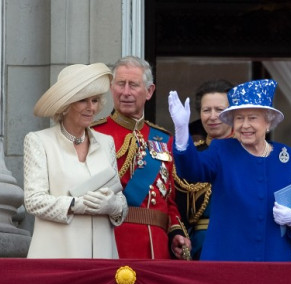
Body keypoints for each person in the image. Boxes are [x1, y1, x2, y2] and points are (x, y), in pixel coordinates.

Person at [168, 79, 291, 261]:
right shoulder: (222, 150)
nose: (245, 125)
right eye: (239, 118)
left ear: (268, 122)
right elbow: (192, 171)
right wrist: (182, 132)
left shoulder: (289, 158)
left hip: (274, 263)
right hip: (226, 263)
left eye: (252, 118)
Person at [24, 63, 128, 258]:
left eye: (95, 100)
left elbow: (120, 199)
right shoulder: (39, 141)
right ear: (66, 105)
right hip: (57, 255)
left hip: (102, 256)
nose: (91, 108)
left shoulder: (106, 143)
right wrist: (76, 205)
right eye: (83, 101)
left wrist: (113, 205)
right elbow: (33, 201)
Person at [92, 56, 190, 260]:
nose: (126, 92)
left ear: (149, 91)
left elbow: (169, 199)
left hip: (157, 247)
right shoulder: (94, 134)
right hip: (111, 241)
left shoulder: (163, 139)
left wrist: (176, 232)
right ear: (112, 88)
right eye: (121, 84)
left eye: (134, 85)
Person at [174, 79, 234, 260]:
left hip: (235, 240)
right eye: (206, 110)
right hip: (198, 245)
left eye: (220, 110)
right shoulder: (190, 153)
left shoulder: (246, 151)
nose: (212, 116)